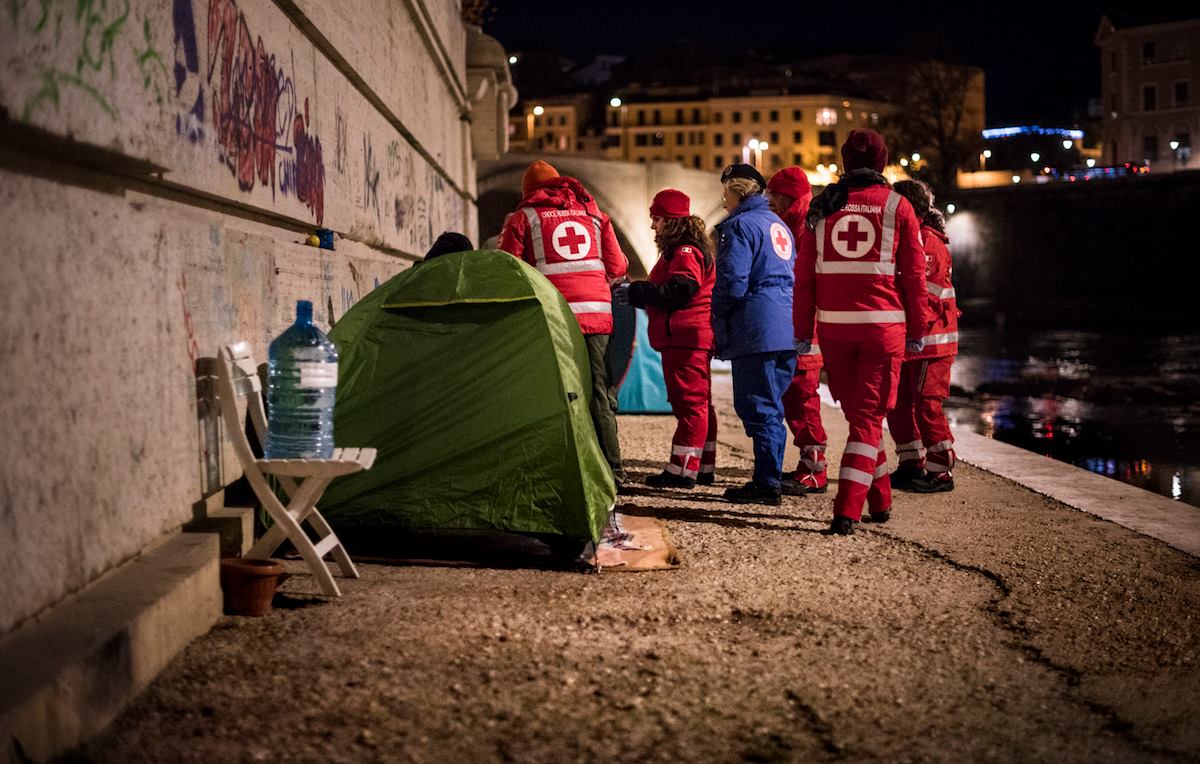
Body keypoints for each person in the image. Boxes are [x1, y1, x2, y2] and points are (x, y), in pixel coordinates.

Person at [794, 129, 930, 534]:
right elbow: (915, 276)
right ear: (883, 162)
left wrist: (803, 331)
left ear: (844, 162)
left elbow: (804, 280)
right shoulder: (897, 207)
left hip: (834, 330)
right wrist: (918, 327)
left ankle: (881, 499)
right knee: (869, 421)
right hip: (882, 330)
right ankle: (846, 511)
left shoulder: (822, 208)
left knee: (860, 419)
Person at [498, 160, 629, 484]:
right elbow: (619, 266)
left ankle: (567, 466)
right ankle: (613, 470)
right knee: (599, 389)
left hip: (556, 316)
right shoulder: (595, 215)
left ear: (529, 190)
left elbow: (508, 268)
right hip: (598, 315)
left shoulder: (524, 217)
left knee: (559, 388)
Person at [620, 189, 717, 489]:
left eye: (657, 219)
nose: (653, 226)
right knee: (700, 403)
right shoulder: (686, 250)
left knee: (689, 404)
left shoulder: (684, 252)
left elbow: (679, 291)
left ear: (672, 222)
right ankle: (702, 465)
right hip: (689, 336)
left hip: (686, 336)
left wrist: (637, 291)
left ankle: (682, 470)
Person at [712, 163, 796, 505]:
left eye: (726, 192)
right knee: (772, 405)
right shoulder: (778, 225)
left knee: (758, 406)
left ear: (737, 192)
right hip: (785, 325)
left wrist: (717, 315)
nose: (722, 199)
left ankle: (766, 483)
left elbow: (733, 281)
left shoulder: (740, 226)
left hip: (755, 325)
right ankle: (769, 476)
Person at [887, 180, 959, 493]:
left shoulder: (927, 244)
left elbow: (925, 299)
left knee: (927, 406)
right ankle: (911, 464)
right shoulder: (907, 237)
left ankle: (941, 471)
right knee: (900, 405)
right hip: (911, 342)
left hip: (931, 343)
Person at [767, 167, 828, 496]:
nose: (769, 200)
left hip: (806, 332)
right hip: (792, 327)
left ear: (789, 197)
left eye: (775, 195)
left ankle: (816, 469)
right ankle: (809, 463)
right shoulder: (793, 226)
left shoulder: (806, 230)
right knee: (794, 399)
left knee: (804, 400)